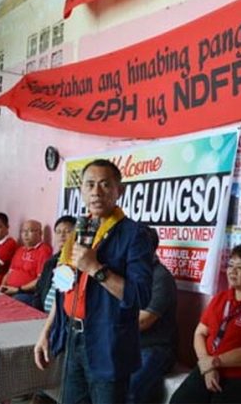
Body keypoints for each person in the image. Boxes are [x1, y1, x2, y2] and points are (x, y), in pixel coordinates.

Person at [34, 159, 153, 404]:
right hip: (72, 336)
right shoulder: (80, 230)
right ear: (81, 192)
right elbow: (64, 288)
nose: (96, 192)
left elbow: (141, 296)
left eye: (105, 185)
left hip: (109, 345)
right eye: (89, 185)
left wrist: (96, 269)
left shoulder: (134, 234)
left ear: (120, 191)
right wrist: (46, 332)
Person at [170, 245, 241, 404]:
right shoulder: (220, 298)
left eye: (240, 267)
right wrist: (207, 364)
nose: (232, 271)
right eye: (230, 265)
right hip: (209, 367)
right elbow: (200, 333)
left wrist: (216, 361)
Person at [127, 226, 178, 404]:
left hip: (153, 347)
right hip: (126, 344)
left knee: (131, 389)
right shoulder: (126, 273)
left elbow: (144, 321)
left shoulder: (160, 277)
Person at [0, 220, 53, 305]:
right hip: (10, 289)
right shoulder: (20, 250)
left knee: (13, 302)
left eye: (30, 231)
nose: (26, 234)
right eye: (23, 231)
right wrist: (2, 287)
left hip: (27, 293)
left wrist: (18, 289)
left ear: (40, 233)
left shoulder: (44, 251)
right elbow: (9, 272)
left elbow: (40, 280)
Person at [32, 215, 76, 313]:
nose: (62, 236)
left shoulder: (78, 263)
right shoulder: (51, 262)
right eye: (58, 232)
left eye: (68, 232)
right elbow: (39, 291)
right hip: (42, 314)